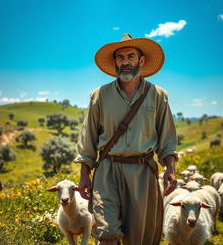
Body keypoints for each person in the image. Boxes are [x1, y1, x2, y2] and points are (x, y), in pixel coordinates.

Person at [74, 33, 178, 245]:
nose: (125, 62)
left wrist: (170, 169)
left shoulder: (158, 95)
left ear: (141, 61)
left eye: (130, 57)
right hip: (107, 171)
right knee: (106, 233)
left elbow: (167, 135)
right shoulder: (99, 95)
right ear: (115, 63)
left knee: (139, 237)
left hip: (143, 172)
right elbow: (88, 137)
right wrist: (84, 175)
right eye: (120, 58)